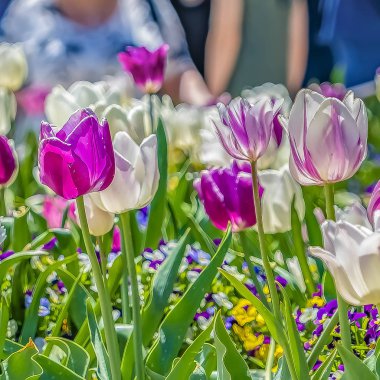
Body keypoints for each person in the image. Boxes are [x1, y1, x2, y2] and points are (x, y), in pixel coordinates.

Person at [1, 0, 214, 105]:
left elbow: (177, 72)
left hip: (132, 170)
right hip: (47, 176)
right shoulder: (18, 14)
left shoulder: (148, 5)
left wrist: (208, 107)